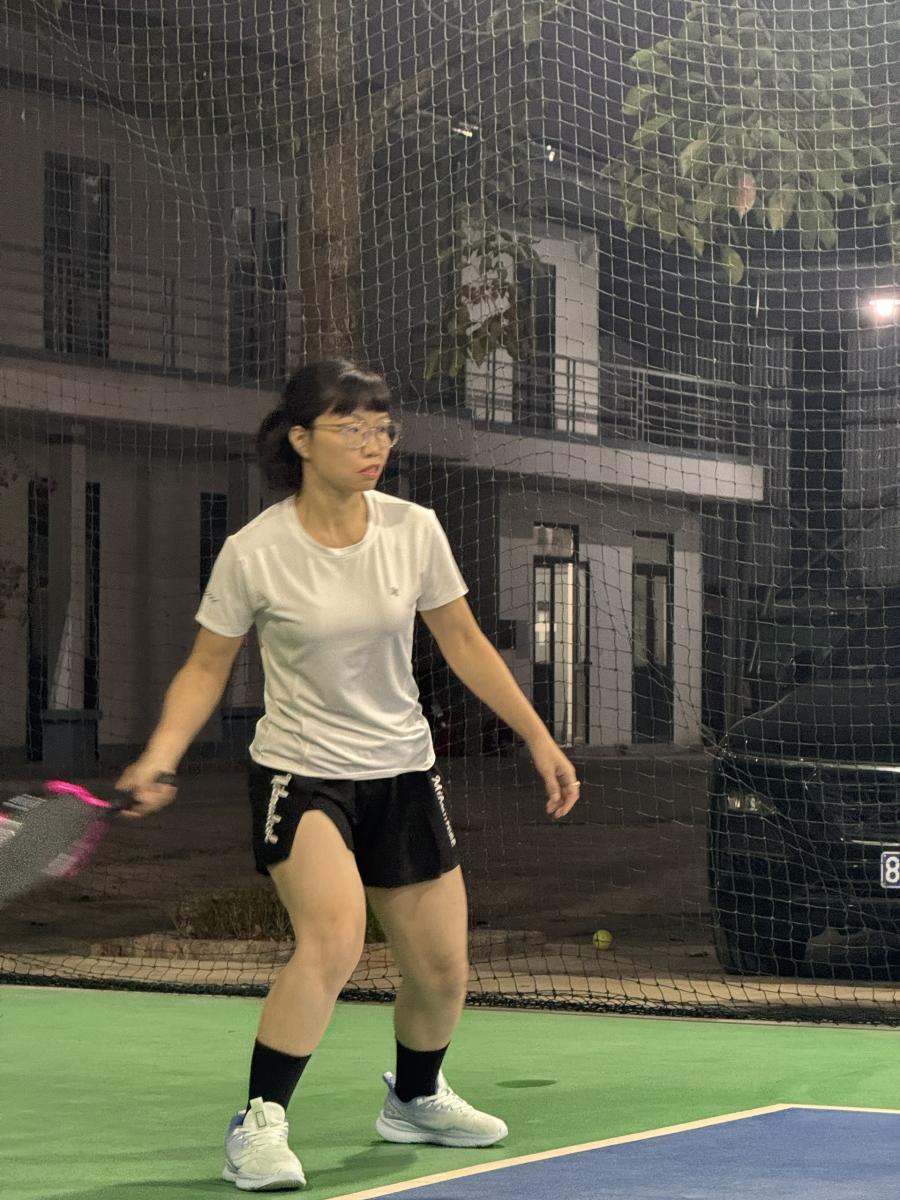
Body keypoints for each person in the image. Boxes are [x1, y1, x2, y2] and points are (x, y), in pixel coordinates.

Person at [117, 359, 580, 1192]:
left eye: (383, 427)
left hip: (401, 770)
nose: (375, 444)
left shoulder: (414, 530)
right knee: (334, 938)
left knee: (443, 971)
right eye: (352, 427)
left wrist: (539, 738)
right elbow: (206, 666)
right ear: (301, 439)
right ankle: (259, 1122)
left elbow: (465, 642)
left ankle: (415, 1098)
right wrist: (161, 754)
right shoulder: (255, 552)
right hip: (302, 773)